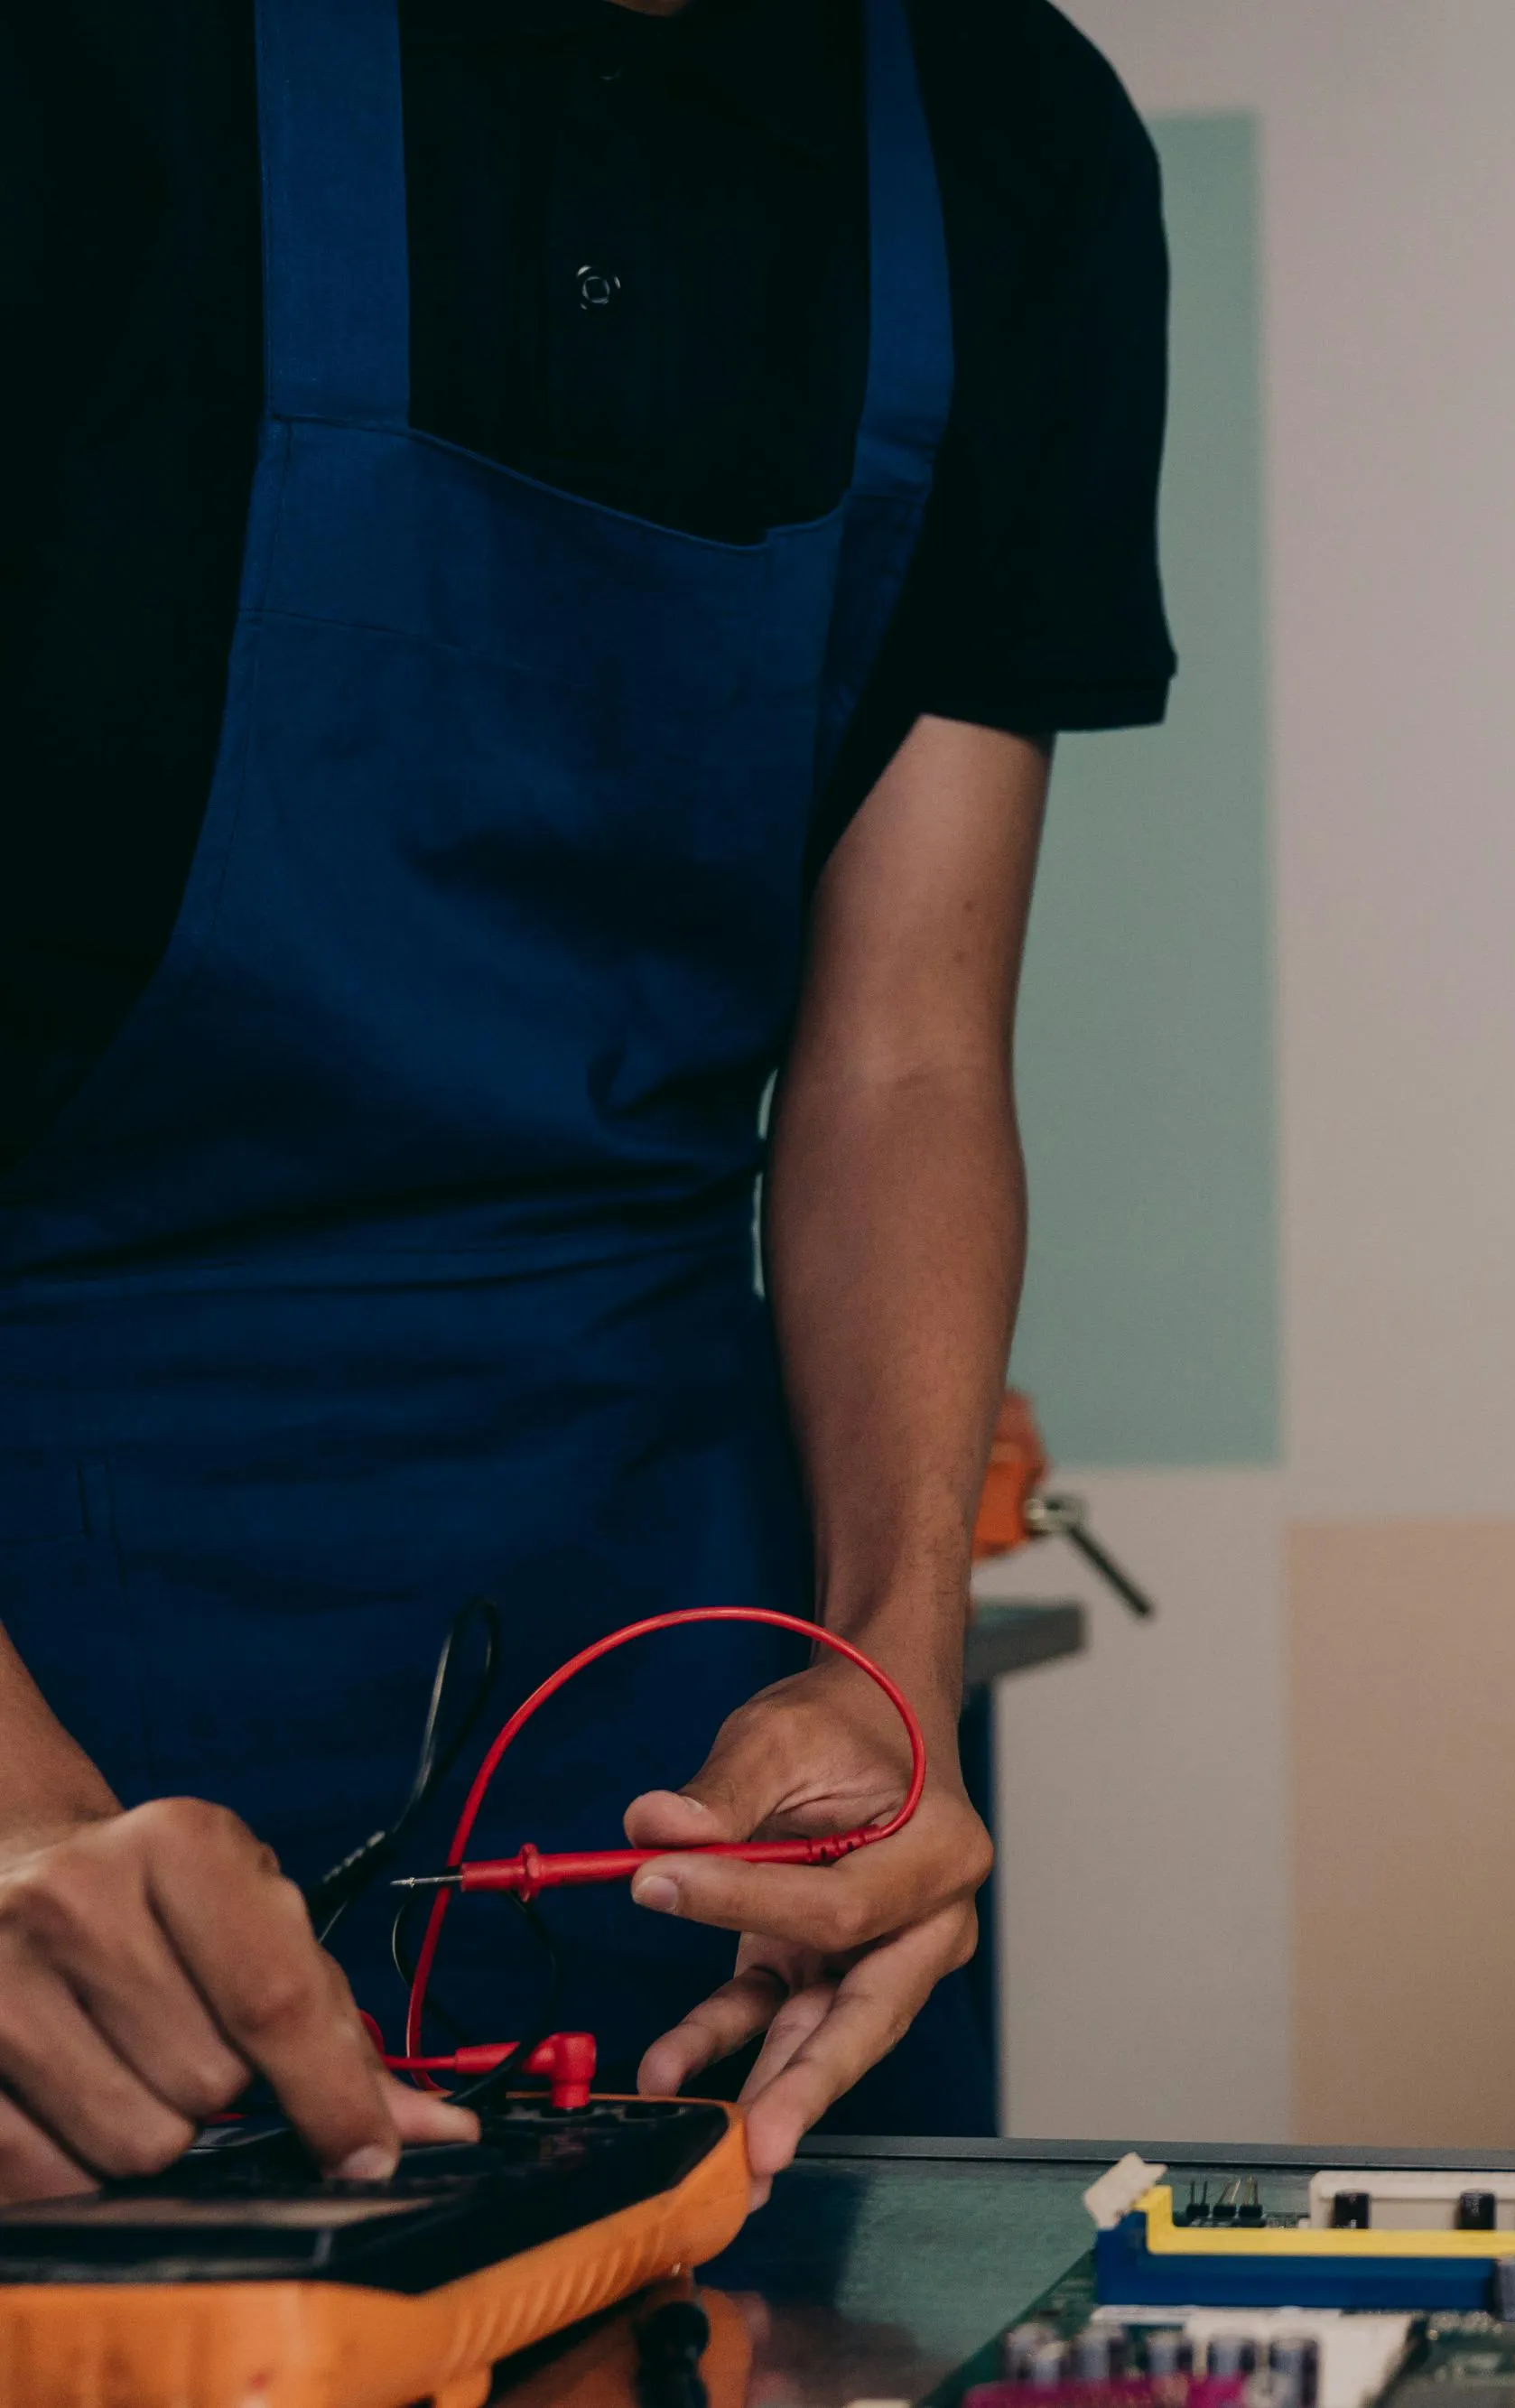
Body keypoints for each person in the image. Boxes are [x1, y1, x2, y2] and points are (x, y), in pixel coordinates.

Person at [0, 0, 1169, 2202]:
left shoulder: (1012, 146)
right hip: (65, 1527)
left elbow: (906, 1054)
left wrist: (886, 1665)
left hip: (641, 1635)